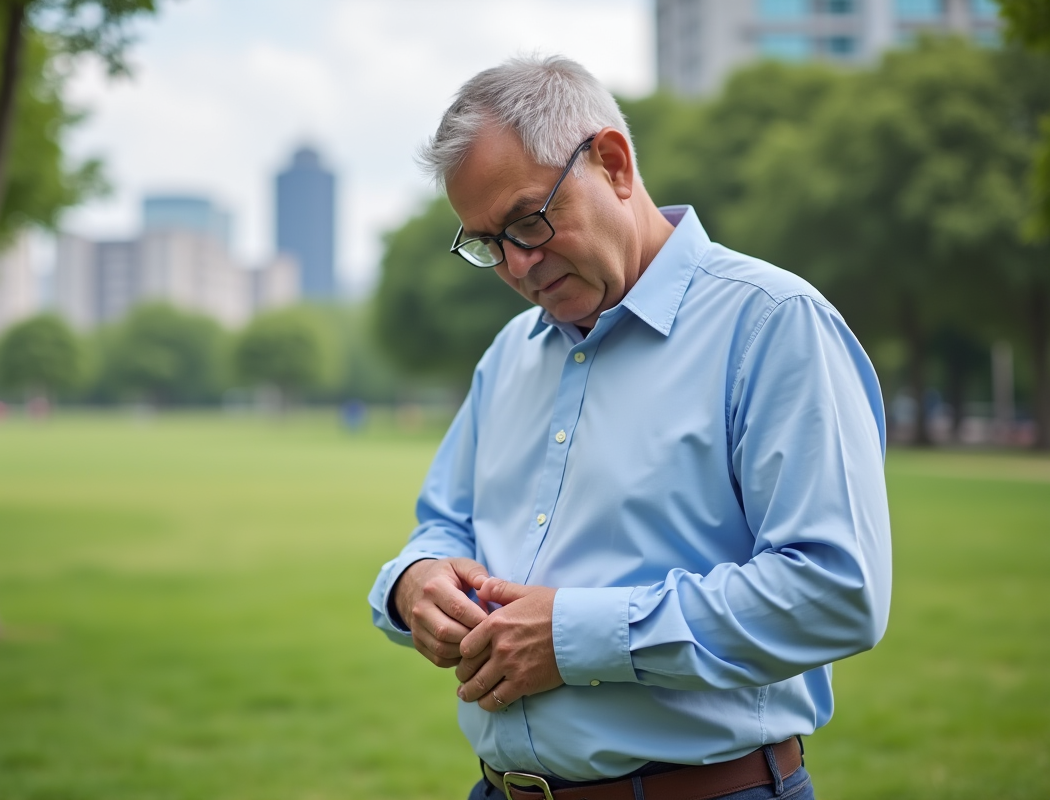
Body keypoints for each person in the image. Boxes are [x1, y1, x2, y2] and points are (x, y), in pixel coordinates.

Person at [368, 55, 891, 800]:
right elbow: (444, 527)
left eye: (528, 220)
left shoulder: (773, 324)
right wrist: (412, 586)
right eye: (488, 243)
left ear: (612, 163)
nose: (517, 265)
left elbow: (837, 591)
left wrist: (576, 637)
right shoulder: (510, 355)